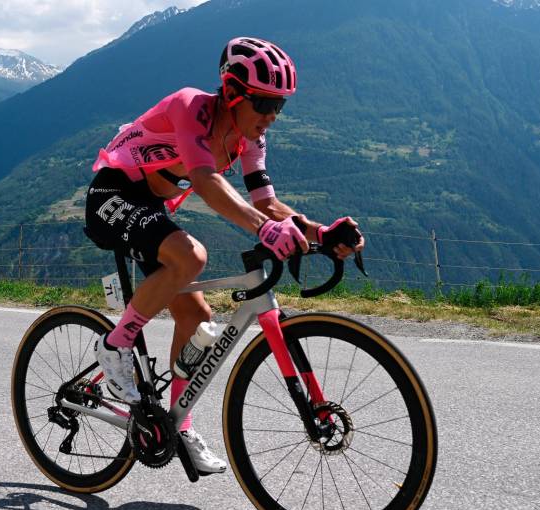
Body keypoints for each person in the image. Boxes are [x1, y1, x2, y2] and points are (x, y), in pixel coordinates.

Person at [83, 37, 364, 475]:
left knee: (197, 319)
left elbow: (267, 205)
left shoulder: (249, 139)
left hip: (151, 209)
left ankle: (179, 427)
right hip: (113, 193)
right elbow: (205, 179)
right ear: (232, 92)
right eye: (265, 103)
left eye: (280, 107)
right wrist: (264, 229)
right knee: (191, 256)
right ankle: (114, 345)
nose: (271, 117)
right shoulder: (190, 106)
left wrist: (320, 231)